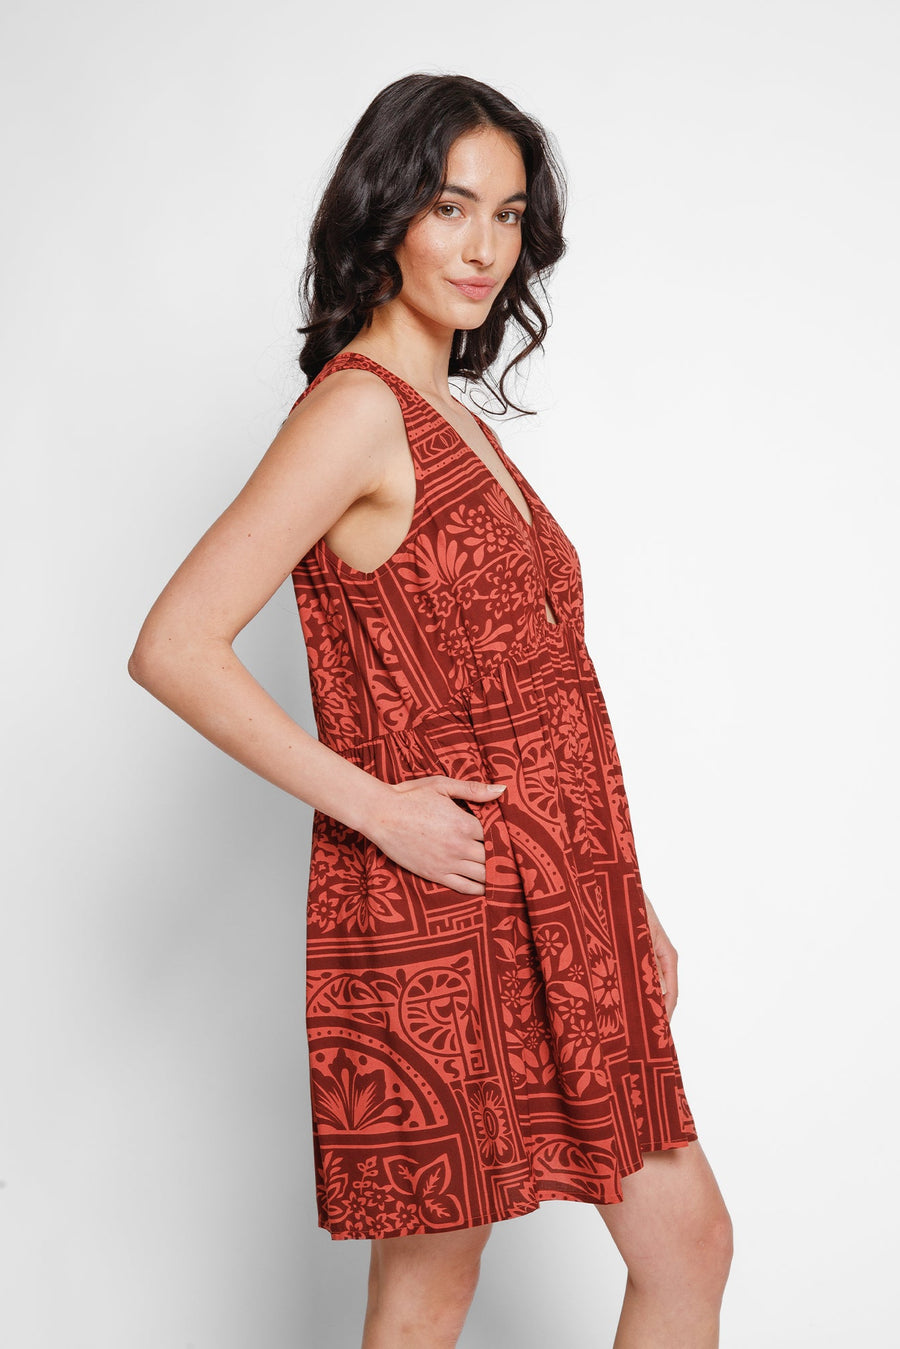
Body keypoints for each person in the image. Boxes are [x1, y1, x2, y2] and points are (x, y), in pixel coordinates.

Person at [129, 72, 732, 1349]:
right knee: (430, 1289)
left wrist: (627, 907)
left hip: (561, 899)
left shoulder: (454, 413)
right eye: (452, 206)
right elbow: (174, 644)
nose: (482, 247)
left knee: (686, 1244)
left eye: (507, 216)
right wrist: (378, 808)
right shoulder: (359, 409)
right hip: (439, 908)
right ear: (387, 211)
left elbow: (543, 692)